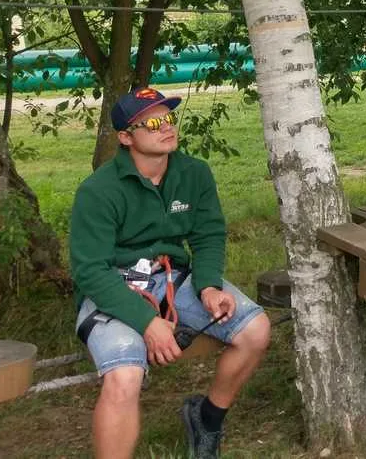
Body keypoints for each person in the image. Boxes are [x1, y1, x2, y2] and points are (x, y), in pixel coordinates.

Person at [70, 87, 271, 459]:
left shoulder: (193, 173)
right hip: (114, 287)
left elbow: (208, 235)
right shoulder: (98, 191)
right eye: (151, 123)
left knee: (255, 330)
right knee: (124, 375)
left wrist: (209, 286)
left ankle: (207, 417)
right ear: (126, 137)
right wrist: (147, 322)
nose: (166, 128)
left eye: (168, 118)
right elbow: (91, 271)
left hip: (174, 278)